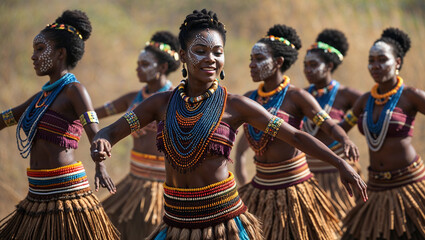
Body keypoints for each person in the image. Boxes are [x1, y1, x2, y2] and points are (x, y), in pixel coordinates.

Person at [90, 9, 367, 240]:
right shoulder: (159, 104)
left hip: (223, 224)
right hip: (175, 222)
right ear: (183, 55)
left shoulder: (236, 106)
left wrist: (339, 162)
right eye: (200, 50)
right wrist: (102, 141)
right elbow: (111, 131)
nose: (211, 58)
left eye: (217, 52)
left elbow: (295, 136)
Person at [234, 24, 364, 240]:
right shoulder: (248, 99)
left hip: (294, 190)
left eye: (258, 59)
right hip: (259, 188)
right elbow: (238, 149)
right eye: (251, 58)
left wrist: (344, 139)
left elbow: (327, 124)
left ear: (278, 62)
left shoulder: (296, 97)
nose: (251, 64)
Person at [0, 10, 119, 239]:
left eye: (40, 49)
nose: (33, 57)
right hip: (36, 195)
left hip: (66, 196)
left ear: (60, 54)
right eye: (33, 50)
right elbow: (5, 119)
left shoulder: (74, 91)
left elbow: (96, 133)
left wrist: (100, 164)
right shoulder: (39, 99)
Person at [341, 28, 425, 240]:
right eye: (371, 60)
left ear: (397, 62)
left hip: (410, 185)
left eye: (382, 60)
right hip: (376, 187)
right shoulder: (365, 100)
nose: (375, 66)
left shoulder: (410, 96)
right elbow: (341, 128)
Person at [94, 31, 179, 239]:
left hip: (162, 185)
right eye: (138, 63)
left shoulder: (176, 99)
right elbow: (94, 115)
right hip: (132, 180)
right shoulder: (131, 99)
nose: (138, 68)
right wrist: (70, 114)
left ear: (162, 67)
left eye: (144, 64)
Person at [302, 29, 363, 218]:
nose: (308, 70)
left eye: (313, 65)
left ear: (329, 65)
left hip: (338, 175)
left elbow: (373, 112)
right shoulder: (300, 96)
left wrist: (347, 125)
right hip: (307, 175)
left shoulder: (346, 95)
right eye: (305, 65)